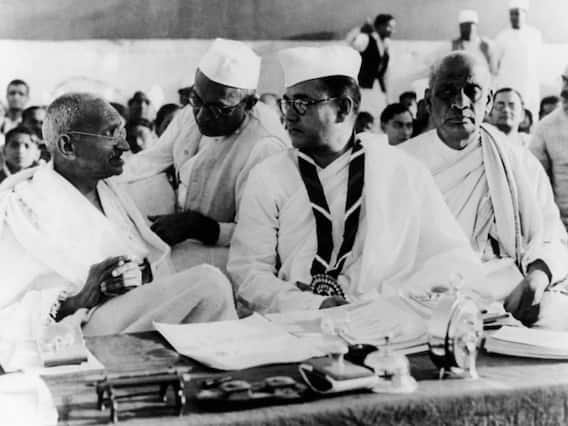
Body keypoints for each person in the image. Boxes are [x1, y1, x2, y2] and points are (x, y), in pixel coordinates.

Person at [228, 45, 484, 314]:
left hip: (384, 319)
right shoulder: (268, 175)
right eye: (287, 103)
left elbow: (451, 258)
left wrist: (383, 299)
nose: (289, 115)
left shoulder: (402, 171)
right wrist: (312, 304)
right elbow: (249, 272)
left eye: (302, 104)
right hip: (295, 319)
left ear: (343, 108)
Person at [0, 93, 237, 340]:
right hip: (73, 329)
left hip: (123, 313)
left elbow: (147, 261)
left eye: (121, 133)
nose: (124, 145)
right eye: (110, 134)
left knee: (211, 284)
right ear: (67, 146)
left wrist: (140, 273)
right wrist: (78, 299)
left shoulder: (110, 191)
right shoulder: (20, 205)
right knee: (209, 283)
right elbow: (6, 310)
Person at [400, 52, 568, 327]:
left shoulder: (518, 161)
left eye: (472, 92)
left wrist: (537, 277)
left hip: (504, 293)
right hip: (424, 295)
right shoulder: (401, 164)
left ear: (487, 101)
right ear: (428, 101)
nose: (460, 103)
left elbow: (552, 235)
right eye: (447, 92)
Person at [120, 38, 290, 272]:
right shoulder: (191, 112)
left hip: (232, 255)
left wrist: (200, 227)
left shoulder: (265, 144)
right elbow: (148, 162)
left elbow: (261, 234)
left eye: (218, 109)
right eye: (196, 101)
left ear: (249, 104)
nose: (202, 116)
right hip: (183, 237)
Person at [530, 65, 568, 231]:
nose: (565, 89)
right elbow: (535, 183)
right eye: (565, 81)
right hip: (561, 228)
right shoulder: (546, 127)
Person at [493, 0, 542, 118]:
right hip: (508, 83)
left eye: (517, 13)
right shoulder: (502, 36)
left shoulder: (535, 35)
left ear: (524, 14)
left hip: (528, 84)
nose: (514, 17)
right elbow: (495, 64)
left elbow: (537, 62)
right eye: (512, 14)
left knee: (529, 114)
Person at [347, 14, 396, 119]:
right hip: (363, 89)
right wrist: (361, 30)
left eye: (393, 27)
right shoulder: (366, 38)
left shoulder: (385, 45)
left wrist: (388, 97)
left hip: (377, 90)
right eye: (389, 27)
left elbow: (384, 73)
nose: (391, 30)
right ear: (379, 26)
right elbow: (351, 45)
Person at [451, 10, 495, 74]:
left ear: (475, 26)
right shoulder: (455, 45)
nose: (464, 29)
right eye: (462, 26)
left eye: (467, 26)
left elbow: (493, 71)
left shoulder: (486, 45)